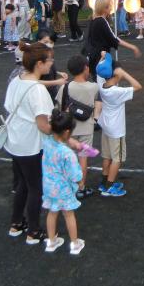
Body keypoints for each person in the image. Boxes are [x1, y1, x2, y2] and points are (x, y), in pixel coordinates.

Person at [4, 41, 55, 245]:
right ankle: (34, 231)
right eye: (50, 60)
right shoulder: (37, 90)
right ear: (40, 63)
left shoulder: (17, 80)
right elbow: (43, 125)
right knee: (35, 188)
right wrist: (62, 132)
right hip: (30, 144)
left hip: (14, 140)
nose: (51, 63)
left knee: (22, 184)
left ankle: (16, 223)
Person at [56, 55, 102, 199]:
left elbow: (58, 106)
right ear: (85, 68)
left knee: (68, 158)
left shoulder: (65, 87)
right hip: (86, 127)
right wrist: (95, 119)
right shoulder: (93, 87)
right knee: (83, 158)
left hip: (69, 129)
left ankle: (68, 186)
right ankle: (81, 187)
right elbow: (98, 103)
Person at [95, 52, 141, 197]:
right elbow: (137, 86)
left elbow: (99, 67)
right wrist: (124, 73)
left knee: (107, 156)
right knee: (118, 158)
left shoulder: (101, 82)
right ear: (114, 74)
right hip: (116, 130)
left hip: (106, 126)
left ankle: (103, 182)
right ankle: (110, 186)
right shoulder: (116, 91)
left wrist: (103, 57)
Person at [42, 109, 85, 255]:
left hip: (48, 187)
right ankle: (74, 244)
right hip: (63, 189)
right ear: (67, 132)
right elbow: (75, 174)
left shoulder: (47, 142)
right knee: (68, 214)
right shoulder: (67, 153)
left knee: (52, 212)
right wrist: (80, 182)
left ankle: (51, 241)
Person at [84, 0, 141, 78]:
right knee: (111, 76)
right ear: (105, 8)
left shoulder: (93, 20)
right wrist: (133, 47)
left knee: (102, 80)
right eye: (110, 6)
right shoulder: (102, 21)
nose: (111, 8)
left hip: (93, 56)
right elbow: (114, 38)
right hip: (101, 57)